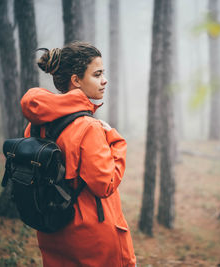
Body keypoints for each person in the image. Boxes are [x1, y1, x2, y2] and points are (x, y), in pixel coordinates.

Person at [20, 41, 136, 267]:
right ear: (76, 80)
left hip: (54, 229)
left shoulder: (37, 125)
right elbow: (106, 184)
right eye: (97, 74)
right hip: (94, 240)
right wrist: (116, 140)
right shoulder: (89, 128)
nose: (104, 80)